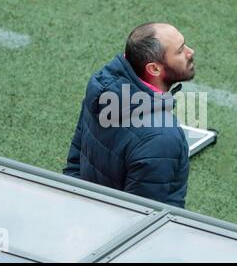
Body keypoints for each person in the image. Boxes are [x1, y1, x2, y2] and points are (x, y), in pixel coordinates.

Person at [63, 22, 195, 208]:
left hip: (87, 214)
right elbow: (143, 217)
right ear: (154, 69)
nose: (190, 52)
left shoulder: (101, 91)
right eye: (180, 50)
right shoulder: (162, 137)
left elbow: (74, 165)